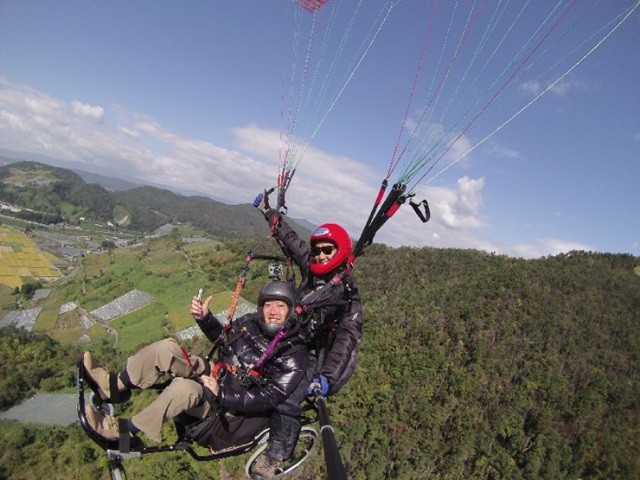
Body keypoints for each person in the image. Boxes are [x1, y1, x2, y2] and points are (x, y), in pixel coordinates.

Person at [82, 281, 309, 454]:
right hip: (217, 373)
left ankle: (124, 432)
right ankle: (113, 386)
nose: (272, 311)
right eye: (268, 305)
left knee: (184, 389)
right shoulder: (252, 323)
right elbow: (224, 340)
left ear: (291, 311)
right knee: (166, 348)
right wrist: (205, 318)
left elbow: (268, 398)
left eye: (280, 306)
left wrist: (223, 394)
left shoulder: (293, 356)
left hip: (227, 409)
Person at [251, 190, 363, 479]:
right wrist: (267, 211)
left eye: (329, 250)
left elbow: (347, 338)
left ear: (340, 253)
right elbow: (291, 241)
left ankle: (275, 456)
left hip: (319, 352)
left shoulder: (346, 293)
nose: (321, 255)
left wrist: (327, 376)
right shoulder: (313, 271)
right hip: (296, 337)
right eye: (319, 250)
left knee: (290, 396)